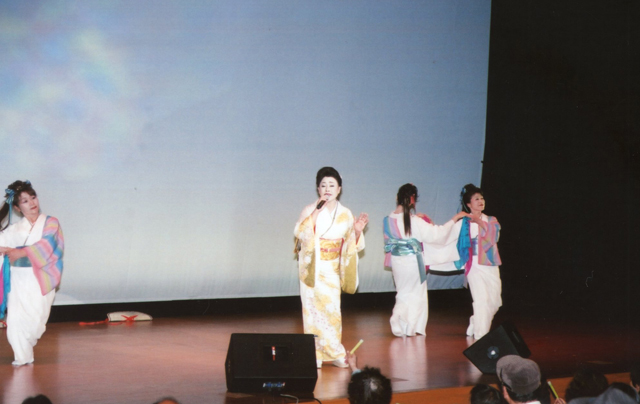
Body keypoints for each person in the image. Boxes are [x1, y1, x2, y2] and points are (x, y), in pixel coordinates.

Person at [294, 167, 369, 368]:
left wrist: (357, 231)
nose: (327, 189)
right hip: (313, 268)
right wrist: (317, 211)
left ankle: (334, 351)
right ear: (318, 188)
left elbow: (351, 244)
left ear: (339, 189)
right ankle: (315, 354)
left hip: (332, 268)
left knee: (332, 311)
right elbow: (301, 233)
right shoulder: (310, 210)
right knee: (312, 312)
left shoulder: (345, 213)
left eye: (332, 185)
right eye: (323, 185)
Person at [383, 183, 468, 337]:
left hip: (397, 261)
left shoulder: (388, 220)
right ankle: (403, 320)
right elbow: (438, 235)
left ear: (397, 197)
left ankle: (403, 322)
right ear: (412, 201)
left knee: (403, 292)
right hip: (413, 261)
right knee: (416, 293)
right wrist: (454, 219)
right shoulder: (414, 221)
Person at [0, 180, 64, 366]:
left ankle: (26, 349)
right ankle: (22, 356)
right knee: (16, 319)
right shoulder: (13, 230)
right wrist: (5, 251)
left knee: (35, 321)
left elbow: (47, 244)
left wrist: (20, 252)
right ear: (17, 208)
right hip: (18, 278)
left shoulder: (51, 223)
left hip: (40, 277)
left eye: (33, 197)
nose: (32, 203)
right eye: (25, 201)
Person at [457, 184, 502, 340]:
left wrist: (479, 222)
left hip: (489, 263)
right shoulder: (463, 222)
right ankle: (481, 335)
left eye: (482, 198)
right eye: (476, 199)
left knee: (495, 302)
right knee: (481, 299)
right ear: (468, 204)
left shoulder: (491, 220)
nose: (481, 201)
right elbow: (448, 236)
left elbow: (494, 237)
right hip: (473, 264)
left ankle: (476, 321)